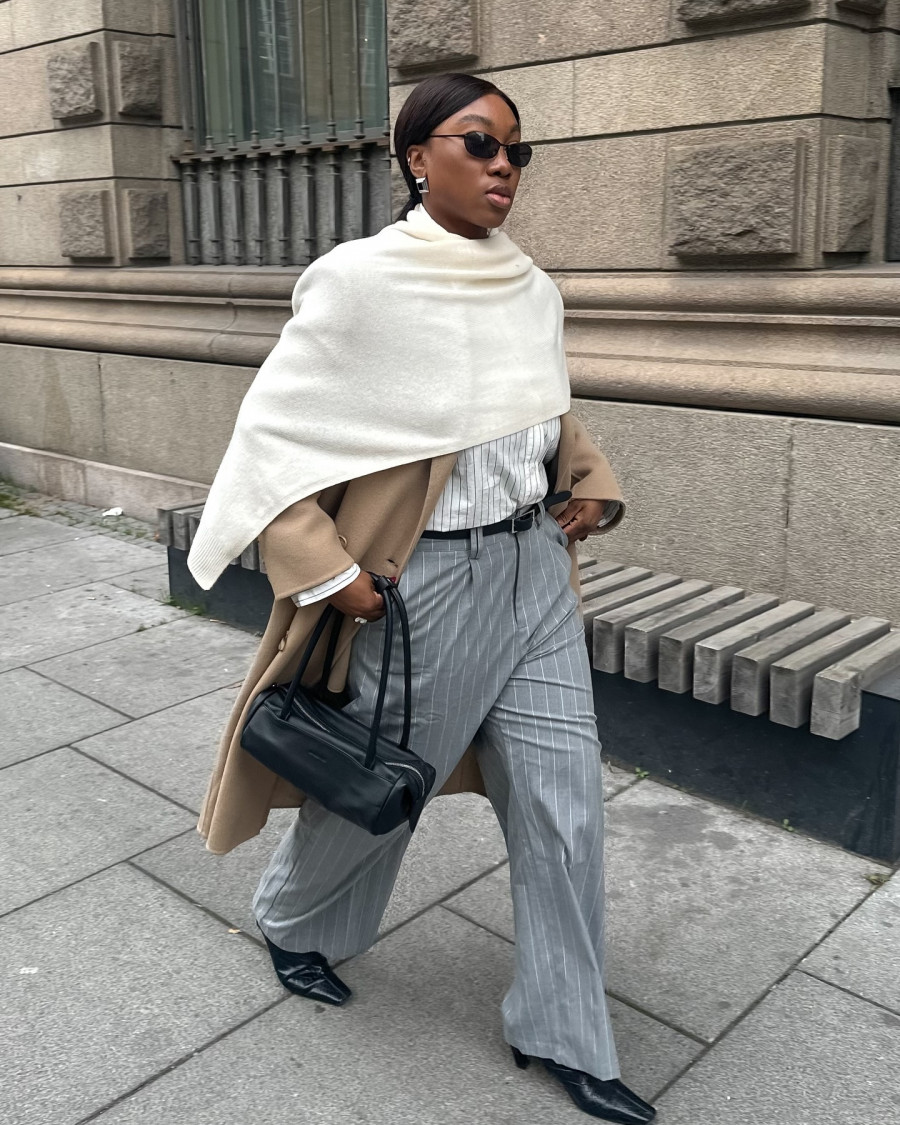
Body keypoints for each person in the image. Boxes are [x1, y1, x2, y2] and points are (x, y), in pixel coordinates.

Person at [187, 73, 654, 1125]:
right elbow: (272, 447)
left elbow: (541, 407)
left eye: (517, 153)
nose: (503, 168)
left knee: (565, 805)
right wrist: (331, 573)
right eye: (480, 144)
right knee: (379, 789)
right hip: (418, 586)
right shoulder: (359, 282)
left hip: (534, 575)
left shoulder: (531, 287)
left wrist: (588, 485)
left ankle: (564, 1031)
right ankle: (298, 923)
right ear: (415, 156)